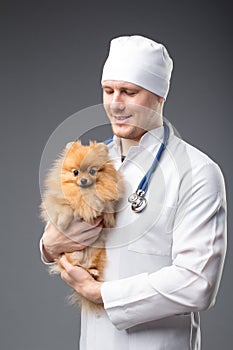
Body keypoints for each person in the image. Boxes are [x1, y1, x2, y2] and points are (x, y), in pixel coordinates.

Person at [40, 35, 227, 349]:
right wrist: (47, 246)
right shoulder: (93, 162)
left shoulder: (197, 172)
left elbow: (198, 283)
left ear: (159, 97)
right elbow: (60, 237)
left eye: (129, 92)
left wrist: (101, 295)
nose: (115, 104)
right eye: (108, 90)